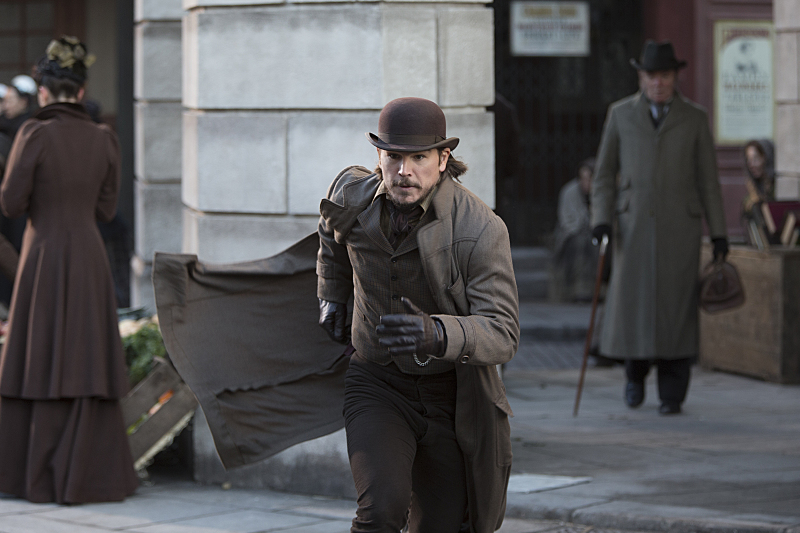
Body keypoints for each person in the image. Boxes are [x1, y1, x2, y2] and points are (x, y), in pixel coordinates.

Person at [317, 97, 519, 532]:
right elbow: (330, 234)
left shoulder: (480, 228)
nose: (404, 171)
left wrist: (438, 334)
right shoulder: (351, 195)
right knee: (381, 511)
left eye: (418, 158)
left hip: (450, 396)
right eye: (393, 157)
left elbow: (503, 332)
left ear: (444, 159)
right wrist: (331, 293)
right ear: (379, 157)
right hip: (376, 382)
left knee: (443, 524)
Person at [0, 36, 138, 503]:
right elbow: (105, 210)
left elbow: (10, 202)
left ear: (43, 92)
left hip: (42, 256)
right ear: (80, 92)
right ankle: (89, 474)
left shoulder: (33, 133)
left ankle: (31, 474)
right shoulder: (104, 137)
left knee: (37, 357)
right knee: (86, 358)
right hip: (88, 256)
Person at [591, 40, 728, 416]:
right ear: (642, 77)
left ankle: (673, 393)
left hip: (678, 231)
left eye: (665, 75)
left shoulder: (695, 118)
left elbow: (709, 181)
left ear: (674, 77)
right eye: (652, 75)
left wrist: (719, 233)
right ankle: (634, 377)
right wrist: (600, 219)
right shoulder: (619, 114)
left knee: (676, 310)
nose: (658, 83)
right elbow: (603, 176)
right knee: (634, 307)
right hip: (631, 229)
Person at [551, 157, 597, 302]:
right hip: (570, 234)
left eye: (589, 179)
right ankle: (578, 291)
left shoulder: (598, 193)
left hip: (592, 234)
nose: (586, 183)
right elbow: (568, 220)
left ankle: (594, 290)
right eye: (583, 178)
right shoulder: (570, 192)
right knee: (581, 243)